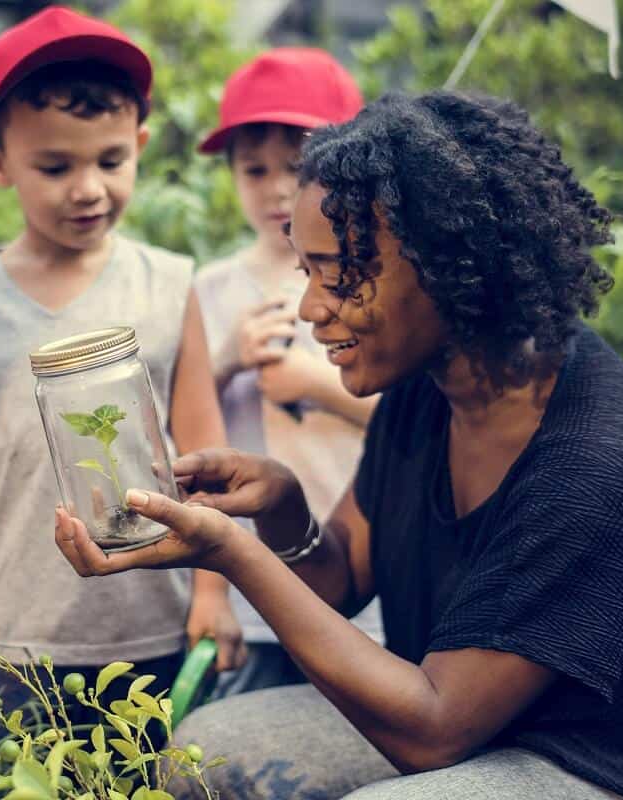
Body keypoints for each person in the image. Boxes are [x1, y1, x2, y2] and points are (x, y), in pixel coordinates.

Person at [55, 91, 623, 799]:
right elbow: (341, 578)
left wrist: (229, 552)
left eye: (343, 271)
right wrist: (283, 511)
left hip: (575, 762)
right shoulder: (431, 387)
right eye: (308, 270)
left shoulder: (591, 459)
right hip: (459, 723)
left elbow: (432, 729)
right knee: (203, 752)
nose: (312, 308)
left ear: (452, 263)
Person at [0, 4, 239, 742]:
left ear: (142, 146)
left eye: (110, 161)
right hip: (11, 636)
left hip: (154, 629)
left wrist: (212, 591)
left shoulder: (167, 284)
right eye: (55, 166)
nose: (88, 188)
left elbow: (203, 445)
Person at [194, 48, 383, 695]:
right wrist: (226, 362)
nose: (277, 188)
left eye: (297, 169)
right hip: (256, 595)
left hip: (363, 577)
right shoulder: (209, 290)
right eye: (255, 170)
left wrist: (314, 385)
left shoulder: (376, 283)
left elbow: (413, 420)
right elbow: (180, 425)